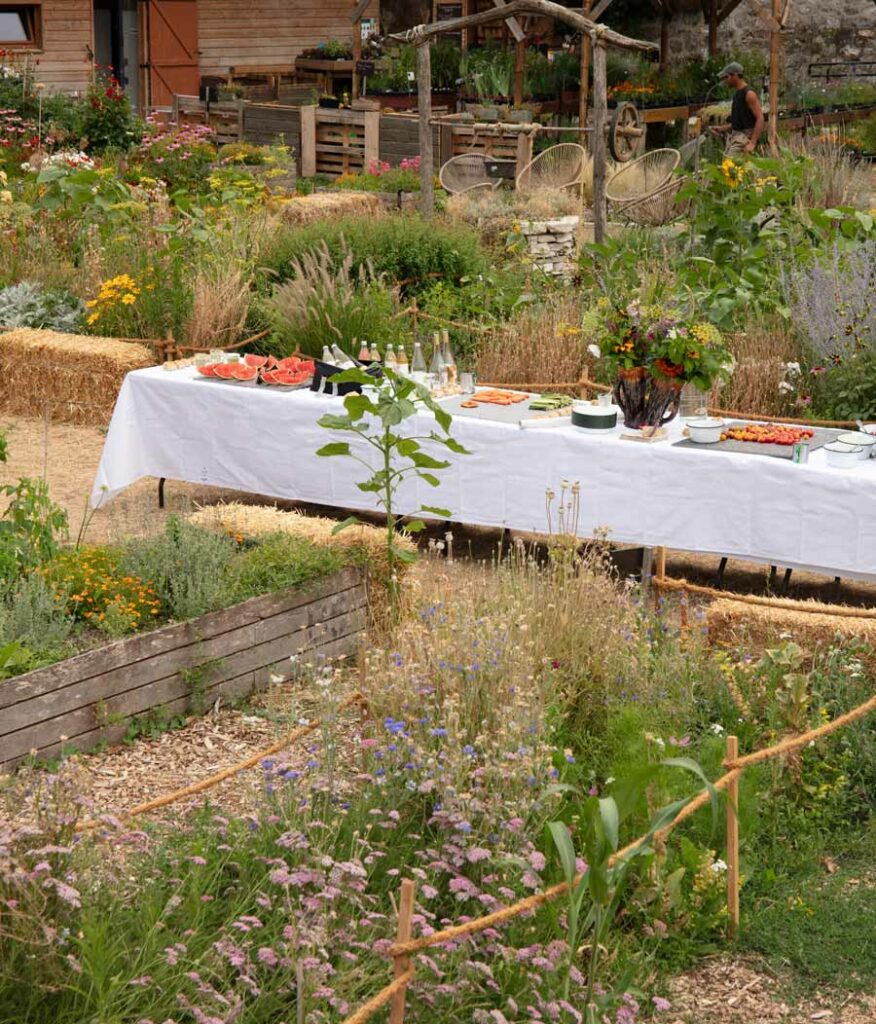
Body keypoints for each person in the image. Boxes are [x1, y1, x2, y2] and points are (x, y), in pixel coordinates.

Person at [710, 62, 765, 156]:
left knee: (730, 163)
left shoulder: (749, 94)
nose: (725, 81)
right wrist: (722, 128)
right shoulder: (737, 94)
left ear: (735, 75)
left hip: (744, 136)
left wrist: (752, 142)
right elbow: (741, 121)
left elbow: (760, 118)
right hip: (736, 135)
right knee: (728, 164)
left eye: (726, 77)